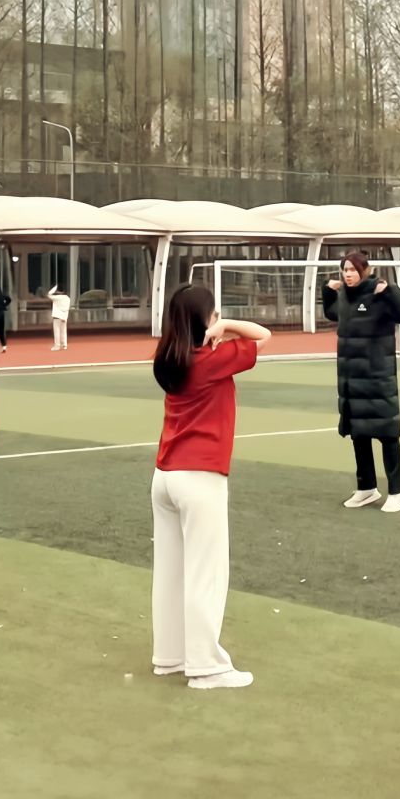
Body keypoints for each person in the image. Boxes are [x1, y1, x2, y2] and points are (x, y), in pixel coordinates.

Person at [150, 284, 270, 690]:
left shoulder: (169, 357)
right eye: (214, 313)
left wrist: (215, 328)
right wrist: (226, 326)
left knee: (170, 573)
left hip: (166, 475)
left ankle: (170, 656)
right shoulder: (210, 360)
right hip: (200, 476)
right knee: (206, 574)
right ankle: (205, 666)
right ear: (204, 320)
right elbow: (263, 336)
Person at [324, 251, 400, 513]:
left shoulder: (379, 292)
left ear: (364, 271)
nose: (348, 274)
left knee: (388, 434)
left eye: (352, 270)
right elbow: (332, 313)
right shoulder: (345, 296)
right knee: (359, 434)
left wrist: (390, 291)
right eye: (345, 270)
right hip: (351, 380)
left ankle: (397, 492)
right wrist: (328, 292)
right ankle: (366, 488)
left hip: (377, 379)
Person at [49, 285, 72, 351]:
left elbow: (49, 294)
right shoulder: (68, 298)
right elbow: (67, 309)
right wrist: (65, 317)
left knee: (57, 331)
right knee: (64, 331)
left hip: (57, 316)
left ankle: (57, 346)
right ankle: (64, 345)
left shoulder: (57, 297)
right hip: (64, 316)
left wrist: (54, 288)